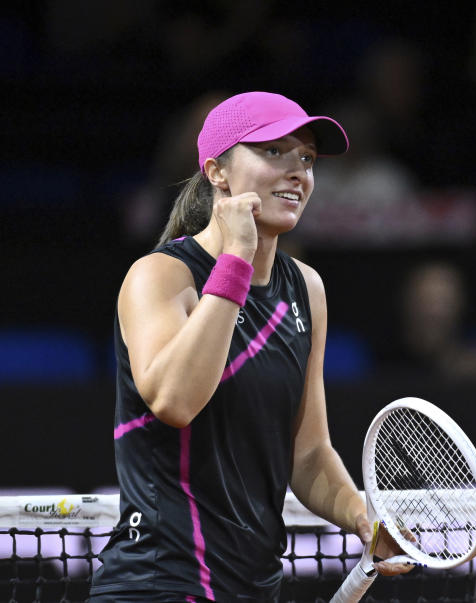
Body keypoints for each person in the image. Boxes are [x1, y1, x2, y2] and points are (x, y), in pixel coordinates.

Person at [90, 91, 413, 601]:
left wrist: (363, 518)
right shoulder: (160, 276)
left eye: (306, 158)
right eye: (273, 152)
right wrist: (237, 257)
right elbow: (174, 401)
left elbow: (307, 453)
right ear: (217, 172)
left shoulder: (306, 289)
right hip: (159, 582)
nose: (298, 172)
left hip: (256, 587)